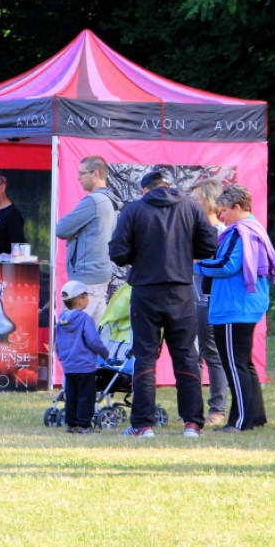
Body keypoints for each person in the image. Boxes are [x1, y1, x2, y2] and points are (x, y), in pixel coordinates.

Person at [108, 170, 217, 438]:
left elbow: (117, 252)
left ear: (145, 190)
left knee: (145, 355)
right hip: (181, 289)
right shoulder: (190, 206)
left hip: (146, 290)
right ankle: (193, 424)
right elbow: (210, 244)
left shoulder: (134, 209)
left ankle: (143, 425)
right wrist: (185, 254)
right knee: (187, 356)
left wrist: (141, 256)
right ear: (168, 186)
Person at [193, 184, 275, 432]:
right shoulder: (255, 228)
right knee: (244, 363)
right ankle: (255, 416)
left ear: (237, 207)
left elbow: (227, 265)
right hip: (245, 305)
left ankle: (239, 421)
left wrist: (196, 265)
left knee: (234, 363)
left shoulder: (239, 232)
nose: (221, 216)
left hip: (234, 306)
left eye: (223, 211)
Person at [55, 156, 122, 324]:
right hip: (100, 273)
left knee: (73, 331)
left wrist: (74, 233)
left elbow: (61, 229)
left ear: (96, 174)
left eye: (82, 173)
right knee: (96, 334)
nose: (78, 178)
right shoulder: (110, 201)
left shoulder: (94, 201)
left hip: (86, 278)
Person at [189, 178, 229, 426]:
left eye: (194, 200)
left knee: (211, 353)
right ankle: (193, 410)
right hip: (187, 300)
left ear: (208, 201)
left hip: (210, 301)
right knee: (190, 355)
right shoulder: (189, 230)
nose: (190, 205)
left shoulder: (224, 234)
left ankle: (217, 409)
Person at [56, 280, 110, 433]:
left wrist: (62, 357)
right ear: (80, 301)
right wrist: (105, 354)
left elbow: (57, 343)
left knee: (71, 396)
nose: (88, 300)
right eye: (86, 296)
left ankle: (71, 424)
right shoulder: (85, 319)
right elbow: (93, 340)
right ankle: (84, 425)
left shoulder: (61, 319)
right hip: (85, 366)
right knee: (86, 397)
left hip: (69, 366)